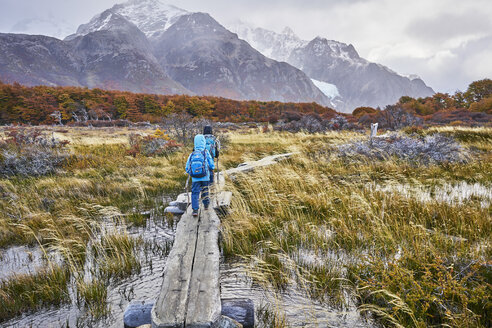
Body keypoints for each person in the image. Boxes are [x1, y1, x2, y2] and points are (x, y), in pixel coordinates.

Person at [185, 134, 215, 217]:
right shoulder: (206, 152)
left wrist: (190, 172)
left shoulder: (192, 153)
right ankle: (206, 205)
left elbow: (187, 167)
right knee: (205, 190)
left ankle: (195, 210)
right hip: (205, 177)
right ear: (203, 142)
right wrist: (211, 168)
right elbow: (212, 165)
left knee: (195, 193)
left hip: (195, 178)